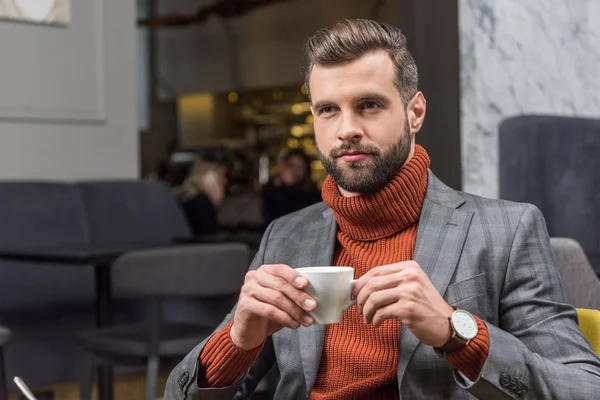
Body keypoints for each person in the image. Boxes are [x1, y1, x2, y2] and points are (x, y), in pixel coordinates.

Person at [165, 19, 600, 399]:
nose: (347, 129)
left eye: (369, 105)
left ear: (415, 112)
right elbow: (181, 394)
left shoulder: (508, 229)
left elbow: (581, 388)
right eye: (328, 110)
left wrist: (456, 330)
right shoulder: (285, 235)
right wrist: (237, 340)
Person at [262, 148, 322, 224]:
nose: (294, 170)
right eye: (291, 165)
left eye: (300, 167)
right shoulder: (272, 191)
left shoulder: (313, 195)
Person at [175, 160, 226, 236]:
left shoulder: (183, 197)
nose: (225, 182)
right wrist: (216, 197)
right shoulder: (202, 203)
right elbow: (210, 239)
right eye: (220, 182)